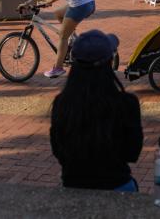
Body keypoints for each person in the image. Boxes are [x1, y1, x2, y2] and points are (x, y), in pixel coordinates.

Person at [50, 30, 143, 191]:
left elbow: (58, 150)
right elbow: (132, 153)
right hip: (117, 184)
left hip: (73, 186)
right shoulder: (126, 104)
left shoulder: (62, 104)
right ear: (109, 63)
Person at [19, 0, 96, 78]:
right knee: (58, 13)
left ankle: (58, 68)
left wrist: (27, 4)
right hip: (90, 4)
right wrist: (49, 2)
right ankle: (72, 39)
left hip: (79, 6)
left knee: (62, 37)